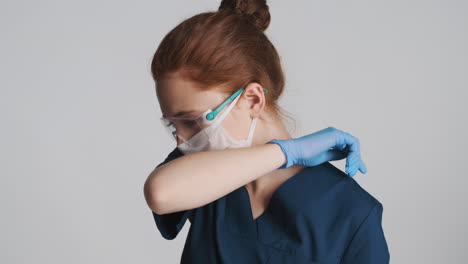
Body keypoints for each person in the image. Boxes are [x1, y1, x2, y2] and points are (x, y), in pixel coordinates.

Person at [144, 0, 390, 263]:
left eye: (191, 122)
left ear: (252, 100)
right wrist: (285, 153)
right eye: (173, 125)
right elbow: (160, 193)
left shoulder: (349, 212)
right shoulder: (201, 173)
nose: (182, 140)